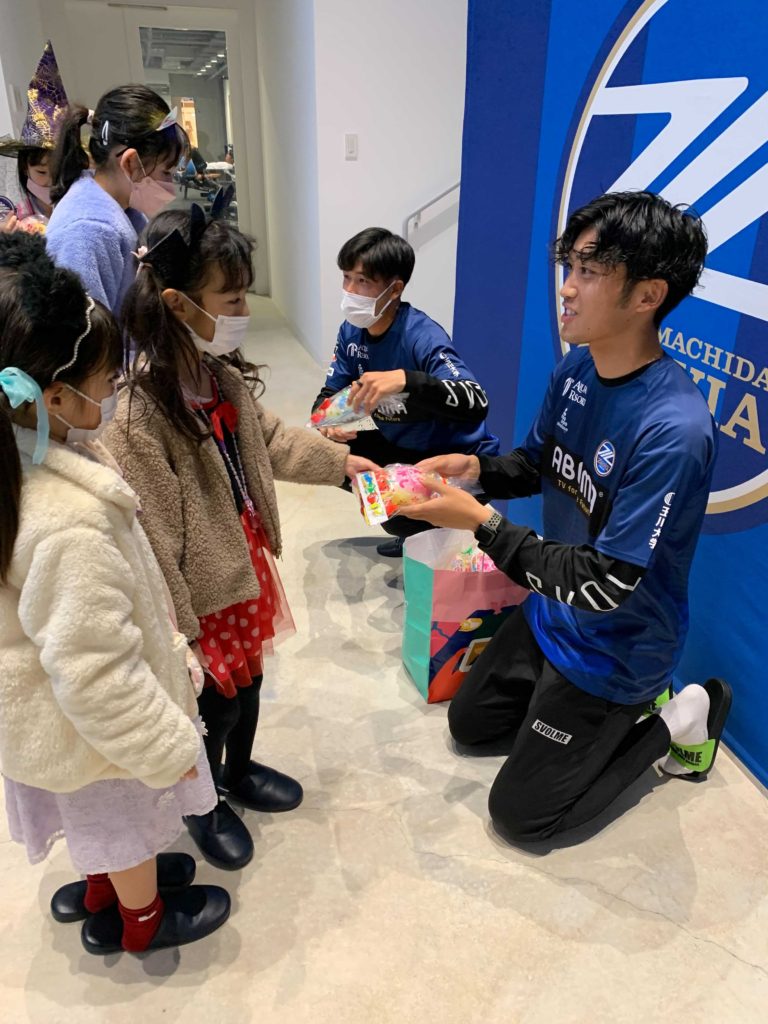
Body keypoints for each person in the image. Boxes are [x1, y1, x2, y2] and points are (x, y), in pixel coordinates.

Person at [400, 191, 732, 845]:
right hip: (552, 614)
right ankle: (567, 721)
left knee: (521, 817)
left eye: (590, 271)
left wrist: (483, 524)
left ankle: (681, 715)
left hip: (617, 648)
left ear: (647, 295)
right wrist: (474, 470)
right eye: (570, 267)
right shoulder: (578, 367)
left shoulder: (674, 428)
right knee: (470, 726)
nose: (568, 288)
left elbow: (606, 582)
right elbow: (535, 464)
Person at [104, 204, 377, 871]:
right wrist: (182, 633)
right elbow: (154, 540)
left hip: (242, 563)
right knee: (211, 705)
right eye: (231, 299)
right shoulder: (139, 415)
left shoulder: (219, 375)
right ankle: (203, 804)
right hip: (197, 593)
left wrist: (343, 466)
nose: (243, 311)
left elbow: (272, 440)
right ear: (178, 303)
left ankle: (241, 769)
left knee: (250, 682)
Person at [0, 231, 230, 955]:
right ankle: (143, 921)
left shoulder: (27, 461)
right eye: (103, 380)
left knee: (98, 826)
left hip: (55, 723)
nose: (113, 389)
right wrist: (164, 746)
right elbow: (95, 671)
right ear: (54, 397)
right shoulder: (67, 524)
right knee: (122, 821)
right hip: (95, 735)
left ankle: (102, 886)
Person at [312, 227, 499, 556]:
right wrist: (328, 421)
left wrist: (406, 381)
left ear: (395, 289)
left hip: (452, 456)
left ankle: (433, 532)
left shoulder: (421, 335)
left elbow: (476, 400)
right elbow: (329, 394)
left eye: (362, 281)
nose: (350, 291)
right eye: (346, 278)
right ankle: (413, 525)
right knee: (330, 455)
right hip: (402, 442)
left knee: (399, 518)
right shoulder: (351, 331)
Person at [46, 85, 185, 312]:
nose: (170, 187)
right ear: (130, 163)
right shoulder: (87, 232)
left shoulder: (123, 208)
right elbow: (88, 330)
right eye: (166, 173)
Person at [0, 41, 70, 234]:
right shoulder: (16, 211)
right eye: (41, 172)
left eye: (58, 172)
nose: (50, 182)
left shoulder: (80, 201)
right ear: (25, 168)